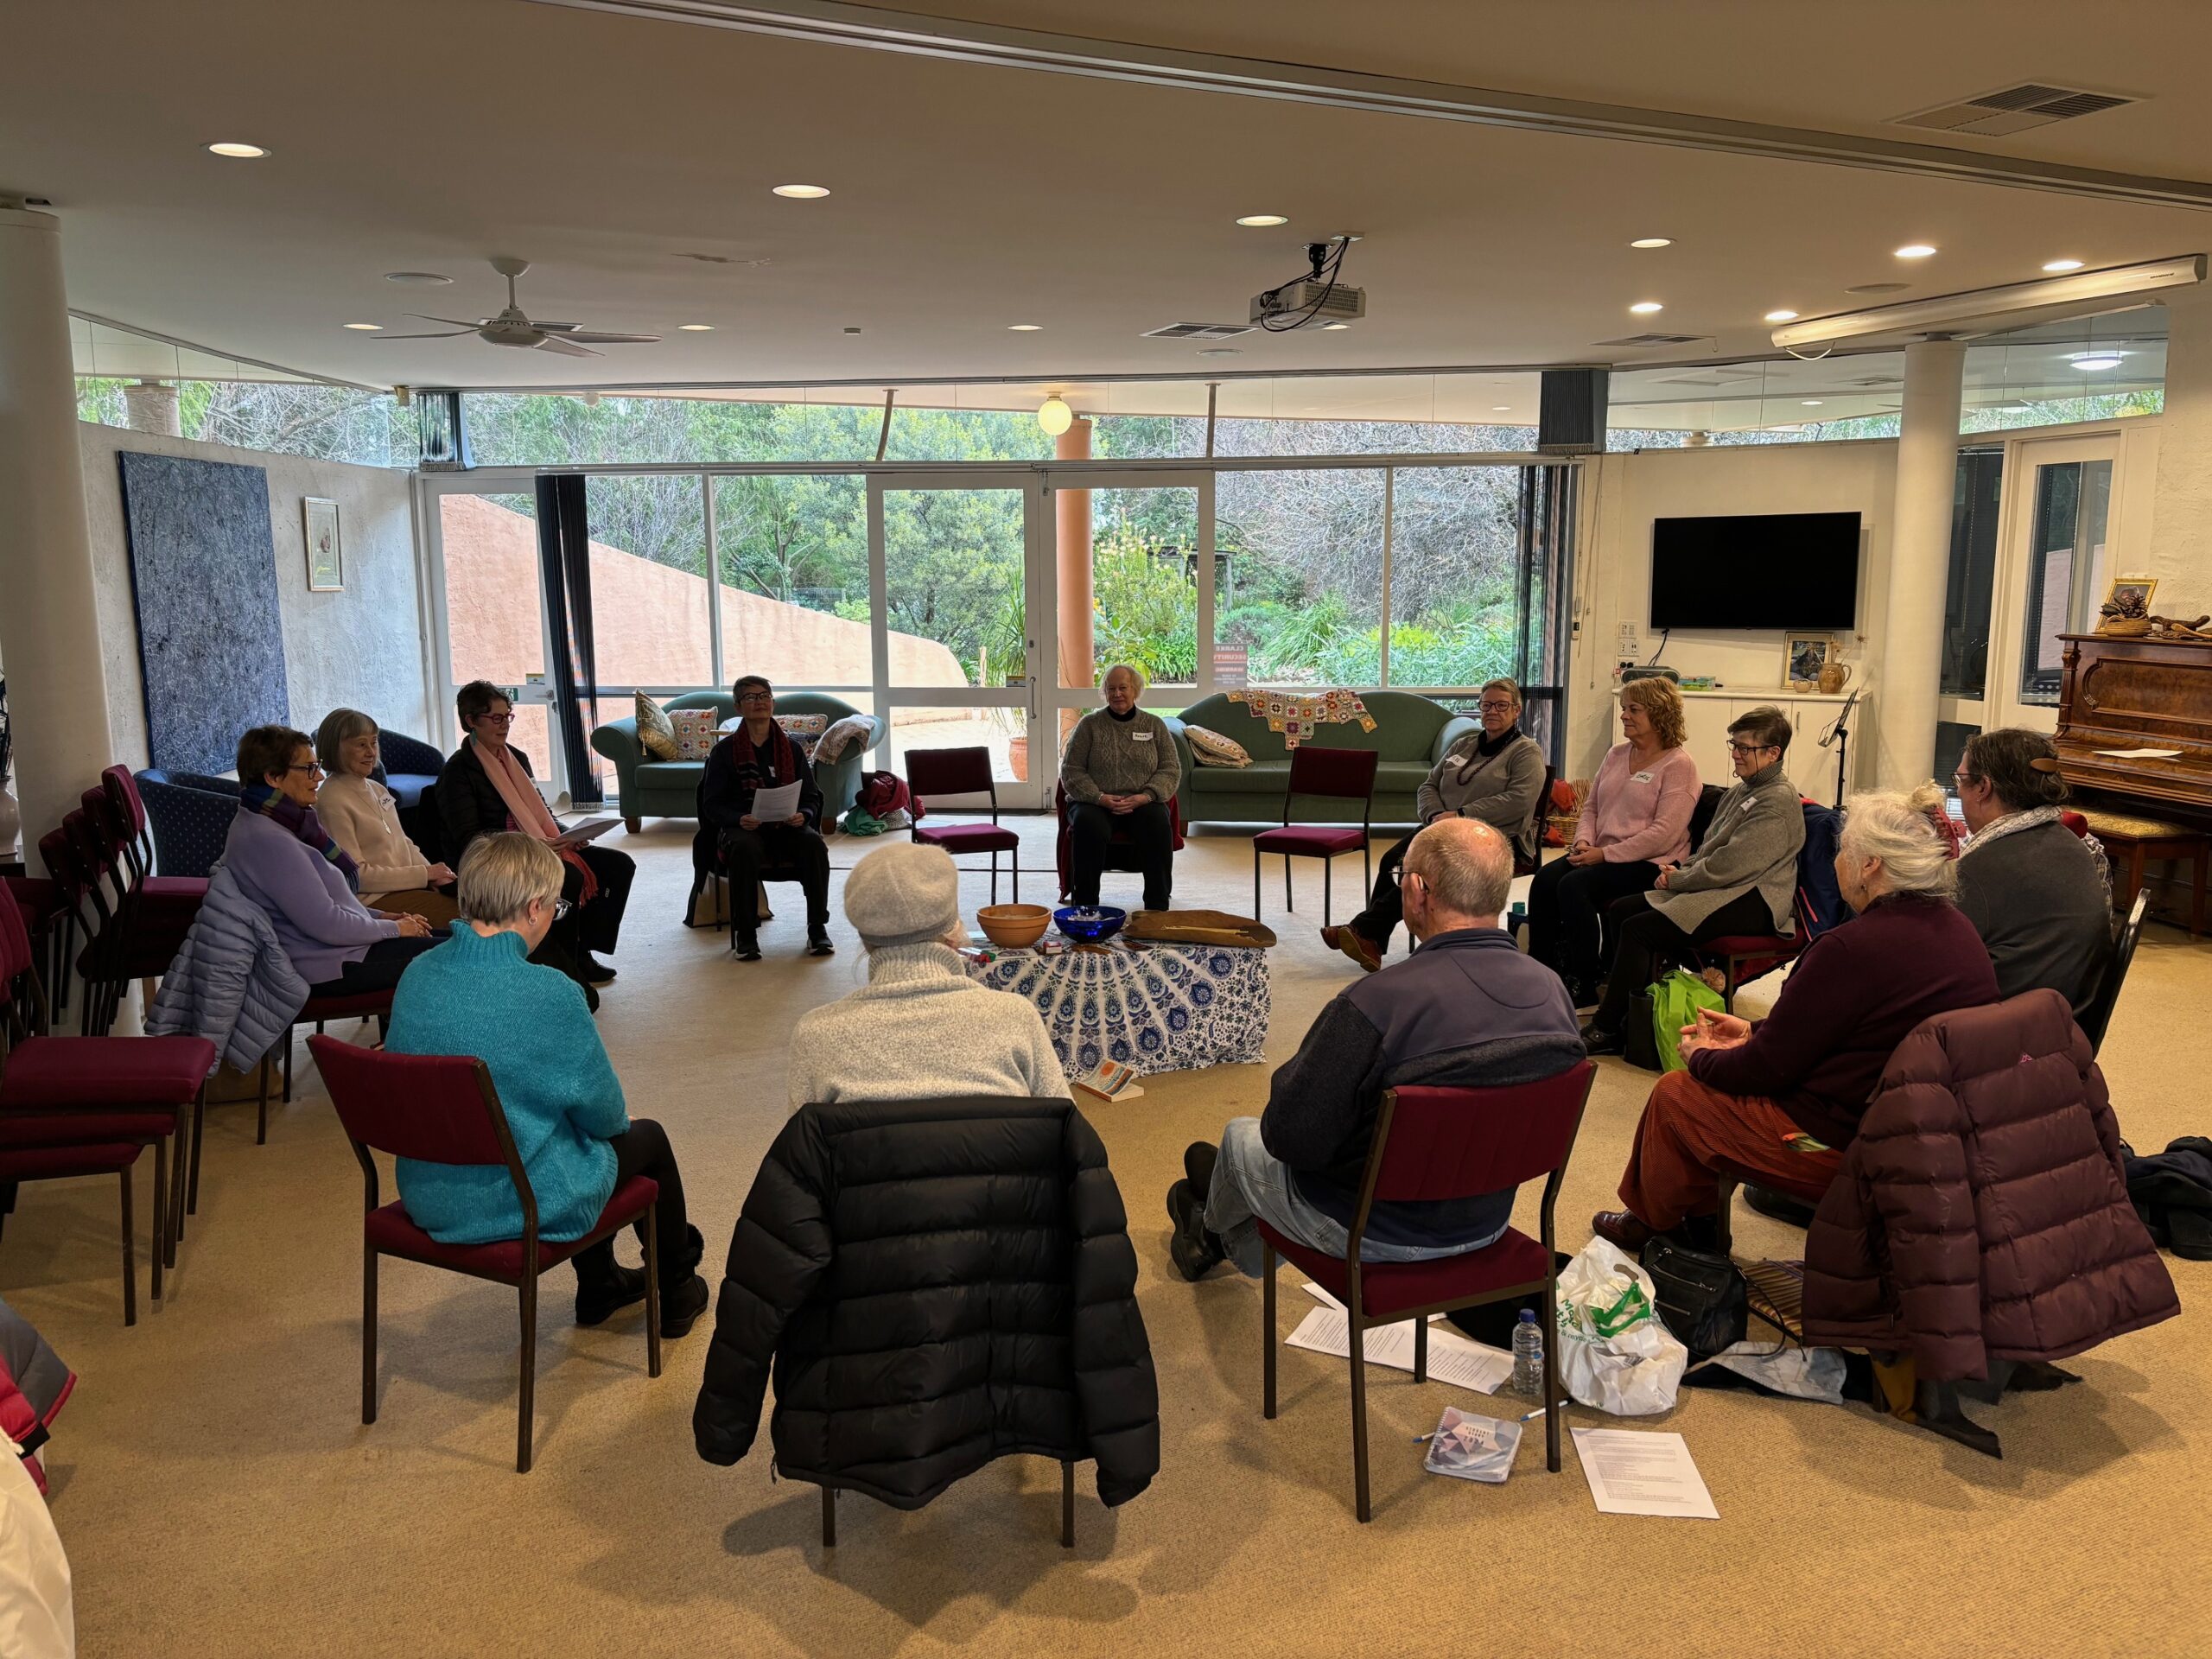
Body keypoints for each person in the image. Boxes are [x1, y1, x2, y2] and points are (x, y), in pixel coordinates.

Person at [1166, 818, 1585, 1281]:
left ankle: (1210, 1234)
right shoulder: (1554, 992)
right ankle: (1220, 1211)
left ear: (1419, 890)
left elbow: (1286, 1135)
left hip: (1370, 1230)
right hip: (1486, 1224)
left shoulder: (1377, 1002)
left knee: (1241, 1137)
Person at [1592, 787, 2000, 1251]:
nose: (1835, 863)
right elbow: (1835, 1028)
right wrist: (1752, 1030)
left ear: (1871, 866)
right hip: (1927, 1138)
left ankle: (1660, 1226)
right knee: (1708, 1092)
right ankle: (1691, 1222)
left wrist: (1701, 1056)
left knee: (1679, 1095)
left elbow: (1765, 1071)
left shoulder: (1850, 948)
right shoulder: (1959, 932)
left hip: (1839, 1143)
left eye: (1842, 851)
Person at [384, 834, 709, 1337]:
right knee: (645, 1138)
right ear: (534, 908)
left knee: (556, 1125)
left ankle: (601, 1283)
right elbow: (607, 1115)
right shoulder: (549, 992)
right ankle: (679, 1286)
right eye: (556, 907)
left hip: (429, 1194)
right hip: (518, 1201)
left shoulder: (416, 973)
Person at [1580, 705, 1804, 1055]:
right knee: (1623, 910)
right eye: (1735, 744)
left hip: (1755, 898)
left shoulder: (1776, 801)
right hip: (1726, 886)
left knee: (1640, 928)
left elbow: (1733, 866)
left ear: (1773, 753)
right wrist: (1683, 872)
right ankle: (1631, 1013)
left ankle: (1608, 1028)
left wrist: (1680, 881)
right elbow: (1712, 846)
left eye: (1746, 748)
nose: (1735, 753)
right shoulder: (1743, 790)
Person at [785, 841, 1066, 1109]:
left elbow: (803, 1151)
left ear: (865, 939)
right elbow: (1067, 1130)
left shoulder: (816, 1034)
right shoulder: (1015, 1017)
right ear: (955, 930)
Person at [1323, 677, 1544, 972]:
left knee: (1420, 870)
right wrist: (1435, 817)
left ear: (1516, 711)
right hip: (1443, 828)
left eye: (1501, 705)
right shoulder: (1465, 744)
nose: (1492, 711)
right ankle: (1372, 939)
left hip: (1494, 839)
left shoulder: (1526, 752)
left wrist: (1461, 815)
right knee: (1392, 860)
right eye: (1486, 704)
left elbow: (1519, 801)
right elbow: (1428, 785)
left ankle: (1365, 931)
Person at [435, 680, 633, 990]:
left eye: (508, 716)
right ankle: (564, 967)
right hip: (495, 860)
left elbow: (543, 814)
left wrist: (570, 836)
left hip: (538, 846)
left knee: (618, 865)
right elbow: (470, 839)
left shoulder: (516, 758)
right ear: (471, 721)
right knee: (566, 876)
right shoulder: (458, 771)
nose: (505, 726)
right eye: (496, 718)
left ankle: (581, 950)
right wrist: (531, 846)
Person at [221, 725, 441, 997]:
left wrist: (384, 917)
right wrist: (395, 928)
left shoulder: (283, 821)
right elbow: (327, 925)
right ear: (273, 777)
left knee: (458, 941)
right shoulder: (269, 839)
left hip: (342, 948)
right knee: (461, 955)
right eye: (309, 769)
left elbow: (328, 906)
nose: (320, 776)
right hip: (325, 964)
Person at [1524, 677, 1699, 1007]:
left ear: (1659, 713)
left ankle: (1586, 979)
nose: (1624, 716)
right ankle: (1543, 969)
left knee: (1574, 887)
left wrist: (1604, 854)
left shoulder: (1679, 765)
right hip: (1601, 851)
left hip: (1651, 861)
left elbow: (1665, 833)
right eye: (1624, 709)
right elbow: (1592, 806)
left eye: (1634, 709)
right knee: (1546, 880)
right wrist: (1584, 842)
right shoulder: (1617, 754)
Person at [1953, 728, 2112, 1019]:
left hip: (2011, 1031)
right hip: (2064, 1017)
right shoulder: (2071, 846)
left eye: (1961, 780)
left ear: (1983, 787)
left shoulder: (1984, 867)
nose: (1958, 791)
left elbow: (1936, 957)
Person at [697, 674, 832, 962]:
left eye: (765, 696)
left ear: (773, 703)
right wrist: (738, 818)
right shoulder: (724, 752)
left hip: (787, 825)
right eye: (750, 697)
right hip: (743, 827)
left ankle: (817, 927)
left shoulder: (791, 749)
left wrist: (803, 814)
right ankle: (746, 935)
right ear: (738, 706)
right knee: (745, 847)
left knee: (814, 845)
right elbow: (712, 805)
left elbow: (811, 796)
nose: (759, 702)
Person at [312, 708, 459, 926]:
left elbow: (405, 843)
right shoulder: (331, 800)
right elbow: (357, 876)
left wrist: (437, 876)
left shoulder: (377, 788)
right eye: (362, 745)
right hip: (376, 901)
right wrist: (424, 874)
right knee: (473, 918)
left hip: (409, 888)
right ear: (336, 748)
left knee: (491, 904)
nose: (371, 752)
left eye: (374, 743)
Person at [1062, 663, 1180, 913]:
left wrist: (1145, 796)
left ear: (1135, 689)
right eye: (1111, 688)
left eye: (1123, 688)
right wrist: (1099, 797)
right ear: (1105, 692)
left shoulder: (1154, 725)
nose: (1117, 694)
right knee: (1088, 824)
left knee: (1157, 820)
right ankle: (1085, 907)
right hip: (1095, 802)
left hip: (1141, 801)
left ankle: (1157, 907)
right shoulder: (1089, 726)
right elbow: (1071, 770)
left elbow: (1171, 769)